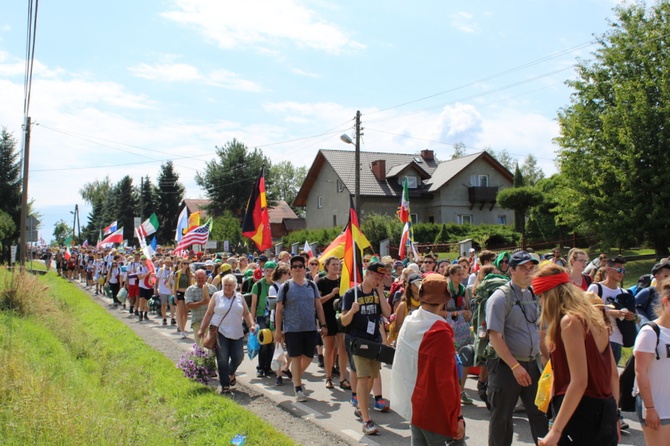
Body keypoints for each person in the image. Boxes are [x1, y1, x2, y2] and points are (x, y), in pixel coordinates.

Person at [533, 264, 619, 446]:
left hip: (581, 411)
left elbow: (579, 381)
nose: (540, 303)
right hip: (605, 407)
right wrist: (614, 417)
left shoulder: (570, 321)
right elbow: (613, 374)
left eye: (541, 297)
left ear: (550, 296)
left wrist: (556, 429)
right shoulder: (594, 318)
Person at [391, 274, 466, 445]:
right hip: (437, 414)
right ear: (445, 300)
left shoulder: (410, 322)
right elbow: (446, 382)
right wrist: (457, 416)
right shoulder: (440, 333)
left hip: (416, 407)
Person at [485, 251, 548, 446]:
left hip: (532, 364)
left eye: (532, 268)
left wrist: (546, 361)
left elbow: (542, 330)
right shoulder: (499, 298)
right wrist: (514, 366)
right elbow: (495, 337)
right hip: (506, 367)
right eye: (523, 268)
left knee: (540, 415)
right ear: (511, 270)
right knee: (502, 419)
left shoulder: (535, 294)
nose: (529, 272)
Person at [341, 261, 392, 436]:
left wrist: (380, 292)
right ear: (367, 274)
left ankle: (361, 406)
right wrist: (352, 311)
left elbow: (386, 313)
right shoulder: (351, 294)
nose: (379, 280)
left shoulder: (378, 293)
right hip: (358, 341)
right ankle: (366, 419)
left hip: (374, 341)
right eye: (376, 276)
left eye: (381, 277)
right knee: (363, 378)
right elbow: (344, 321)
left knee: (371, 377)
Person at [274, 255, 328, 402]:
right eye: (295, 266)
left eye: (300, 266)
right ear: (291, 270)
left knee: (309, 357)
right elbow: (279, 310)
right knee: (296, 357)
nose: (298, 268)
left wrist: (323, 324)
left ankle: (295, 376)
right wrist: (278, 331)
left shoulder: (311, 285)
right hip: (292, 329)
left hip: (310, 327)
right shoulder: (285, 287)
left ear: (305, 269)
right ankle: (298, 388)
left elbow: (318, 306)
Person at [198, 274, 256, 394]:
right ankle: (225, 385)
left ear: (235, 286)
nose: (227, 287)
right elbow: (209, 313)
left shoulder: (239, 297)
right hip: (220, 331)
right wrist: (202, 329)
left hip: (237, 332)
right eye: (225, 285)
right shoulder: (216, 296)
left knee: (238, 356)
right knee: (222, 358)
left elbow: (246, 313)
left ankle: (230, 373)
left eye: (230, 285)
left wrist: (251, 325)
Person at [633, 279, 670, 446]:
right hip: (656, 407)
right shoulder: (650, 332)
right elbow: (640, 371)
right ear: (665, 302)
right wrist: (649, 408)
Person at [317, 256, 350, 390]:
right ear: (327, 266)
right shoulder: (321, 282)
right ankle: (328, 377)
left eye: (338, 264)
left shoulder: (343, 281)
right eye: (333, 264)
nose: (336, 267)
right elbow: (318, 302)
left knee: (343, 348)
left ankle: (343, 378)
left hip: (341, 318)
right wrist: (331, 295)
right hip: (327, 318)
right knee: (329, 348)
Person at [445, 263, 474, 404]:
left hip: (462, 329)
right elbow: (440, 312)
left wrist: (467, 314)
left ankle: (461, 389)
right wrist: (457, 313)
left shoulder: (464, 290)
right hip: (448, 327)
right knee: (450, 360)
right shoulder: (445, 290)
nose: (461, 277)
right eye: (458, 275)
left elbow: (467, 307)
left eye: (462, 274)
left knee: (465, 357)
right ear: (451, 275)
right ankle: (451, 390)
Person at [250, 260, 277, 378]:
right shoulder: (258, 285)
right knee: (264, 341)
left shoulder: (277, 285)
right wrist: (252, 321)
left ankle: (269, 367)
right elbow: (254, 303)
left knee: (272, 343)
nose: (269, 273)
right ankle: (260, 367)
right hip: (262, 316)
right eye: (267, 271)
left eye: (272, 271)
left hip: (274, 316)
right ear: (263, 271)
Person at [185, 269, 218, 346]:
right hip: (197, 321)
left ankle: (211, 358)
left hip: (211, 322)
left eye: (202, 277)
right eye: (198, 278)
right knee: (200, 346)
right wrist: (202, 302)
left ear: (206, 277)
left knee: (211, 345)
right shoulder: (190, 290)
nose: (201, 279)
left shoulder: (213, 288)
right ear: (195, 278)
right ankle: (200, 358)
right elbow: (188, 305)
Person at [173, 259, 193, 338]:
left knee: (186, 313)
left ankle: (183, 329)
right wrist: (175, 296)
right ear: (181, 264)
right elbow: (174, 286)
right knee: (180, 312)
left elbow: (190, 284)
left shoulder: (189, 273)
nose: (186, 265)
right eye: (184, 263)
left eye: (187, 263)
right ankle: (181, 330)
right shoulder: (177, 273)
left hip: (187, 293)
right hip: (179, 293)